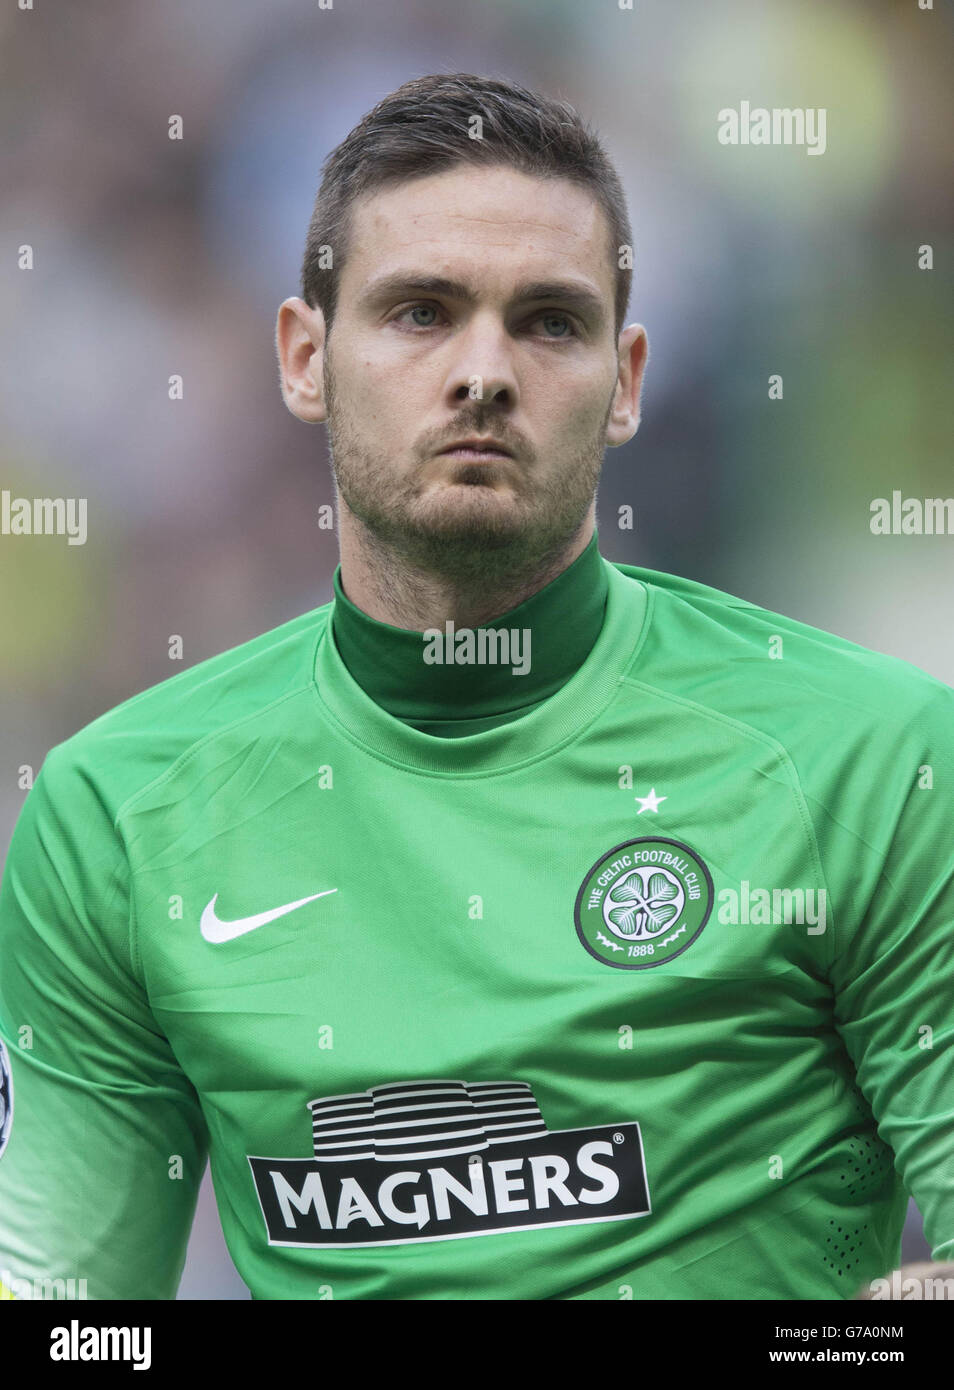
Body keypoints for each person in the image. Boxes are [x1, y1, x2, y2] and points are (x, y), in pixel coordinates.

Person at [0, 72, 951, 1302]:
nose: (484, 372)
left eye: (551, 322)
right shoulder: (115, 816)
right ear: (304, 358)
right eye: (419, 312)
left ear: (627, 381)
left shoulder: (873, 757)